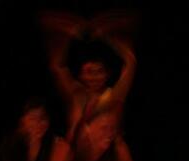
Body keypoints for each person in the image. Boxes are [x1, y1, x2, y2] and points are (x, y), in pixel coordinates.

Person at [42, 12, 137, 140]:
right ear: (81, 75)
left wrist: (107, 36)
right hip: (78, 155)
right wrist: (69, 34)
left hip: (106, 156)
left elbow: (130, 62)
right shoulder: (76, 93)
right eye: (89, 72)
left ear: (107, 74)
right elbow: (56, 66)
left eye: (99, 71)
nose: (94, 77)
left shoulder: (114, 96)